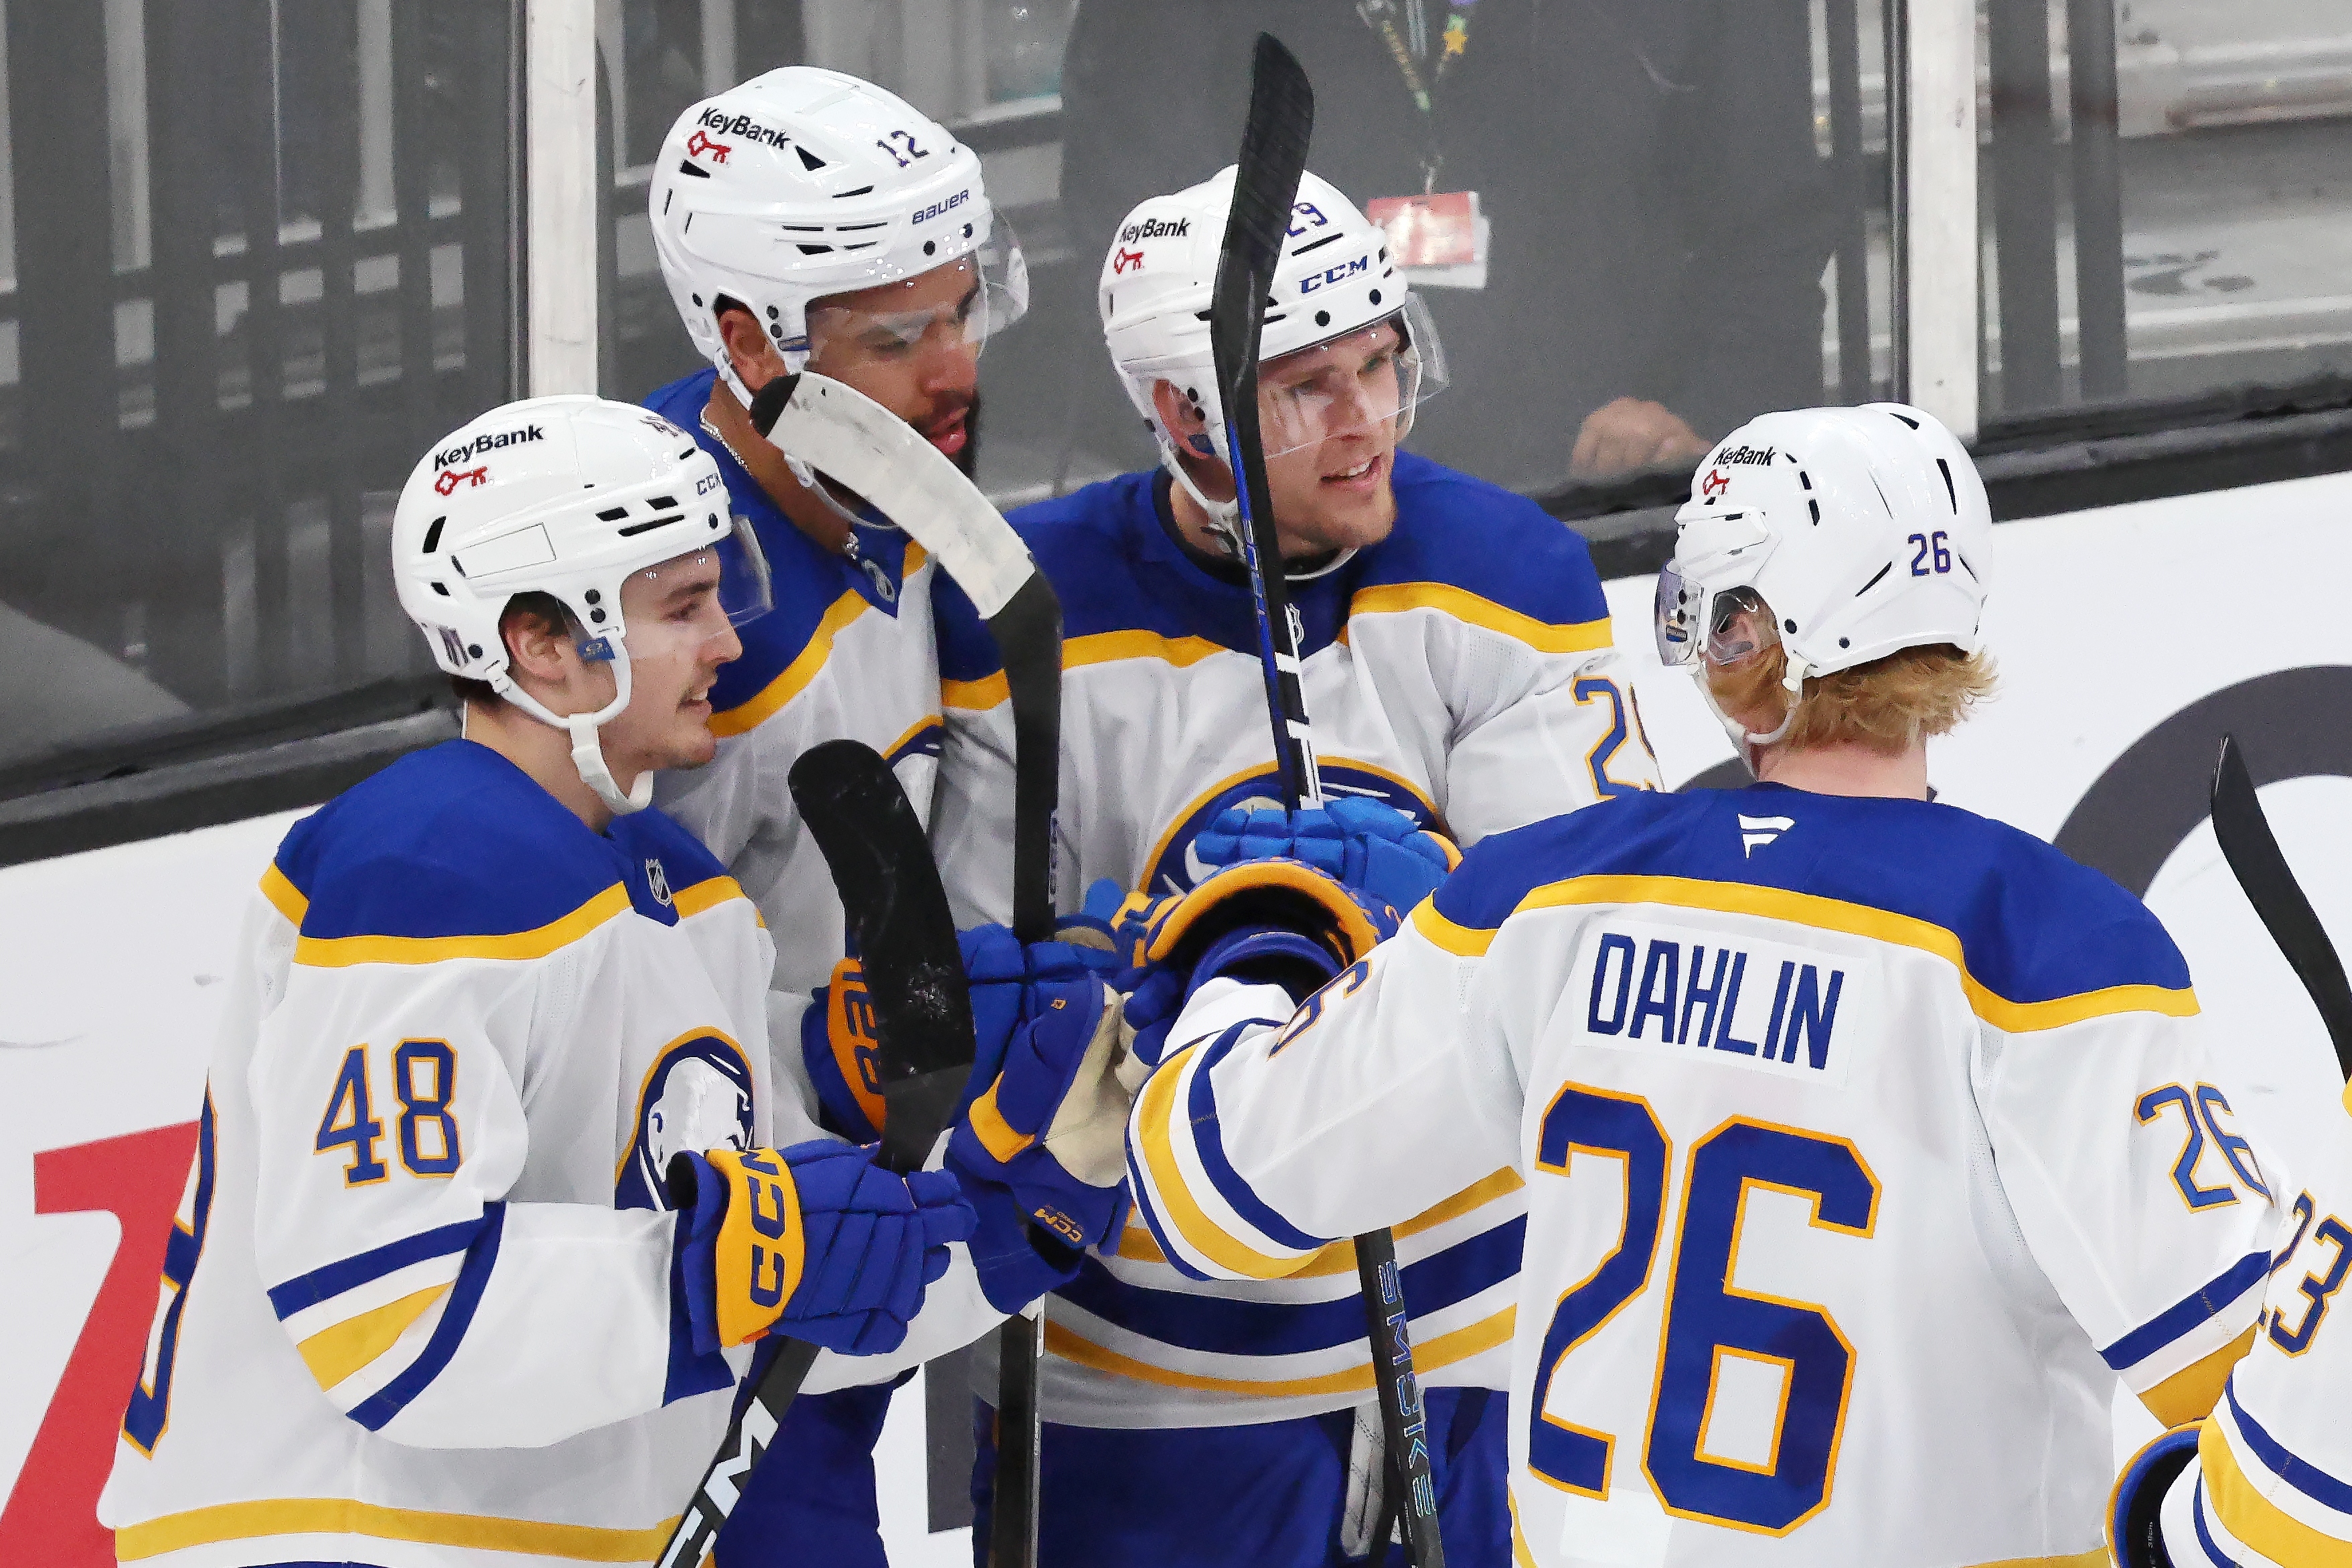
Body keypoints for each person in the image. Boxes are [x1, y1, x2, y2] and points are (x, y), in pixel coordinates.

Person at [1121, 404, 2285, 1564]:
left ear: (1753, 633)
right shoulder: (2047, 952)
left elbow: (1205, 1185)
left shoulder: (1539, 896)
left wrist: (1258, 957)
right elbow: (2298, 1422)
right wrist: (2176, 1524)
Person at [94, 397, 982, 1567]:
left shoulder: (684, 892)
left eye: (720, 593)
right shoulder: (426, 860)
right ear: (542, 643)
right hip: (342, 1538)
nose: (726, 640)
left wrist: (1022, 1195)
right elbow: (387, 1310)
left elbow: (798, 1289)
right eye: (682, 607)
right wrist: (733, 1264)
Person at [930, 166, 1660, 1566]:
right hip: (1149, 1375)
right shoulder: (1023, 612)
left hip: (1468, 1327)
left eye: (1383, 366)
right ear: (1177, 415)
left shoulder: (1506, 568)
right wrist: (1145, 962)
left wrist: (1432, 908)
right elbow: (989, 1001)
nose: (1365, 423)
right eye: (1305, 390)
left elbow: (1585, 955)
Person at [640, 68, 1109, 1565]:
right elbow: (616, 1036)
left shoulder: (903, 523)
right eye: (897, 339)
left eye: (967, 310)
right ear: (743, 342)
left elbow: (973, 883)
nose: (954, 369)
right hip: (706, 1315)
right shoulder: (664, 603)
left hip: (860, 1230)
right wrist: (833, 1062)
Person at [1053, 0, 1834, 489]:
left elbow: (1770, 235)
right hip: (1294, 548)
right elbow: (1131, 272)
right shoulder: (1155, 19)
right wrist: (1256, 465)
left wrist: (1697, 424)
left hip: (1606, 517)